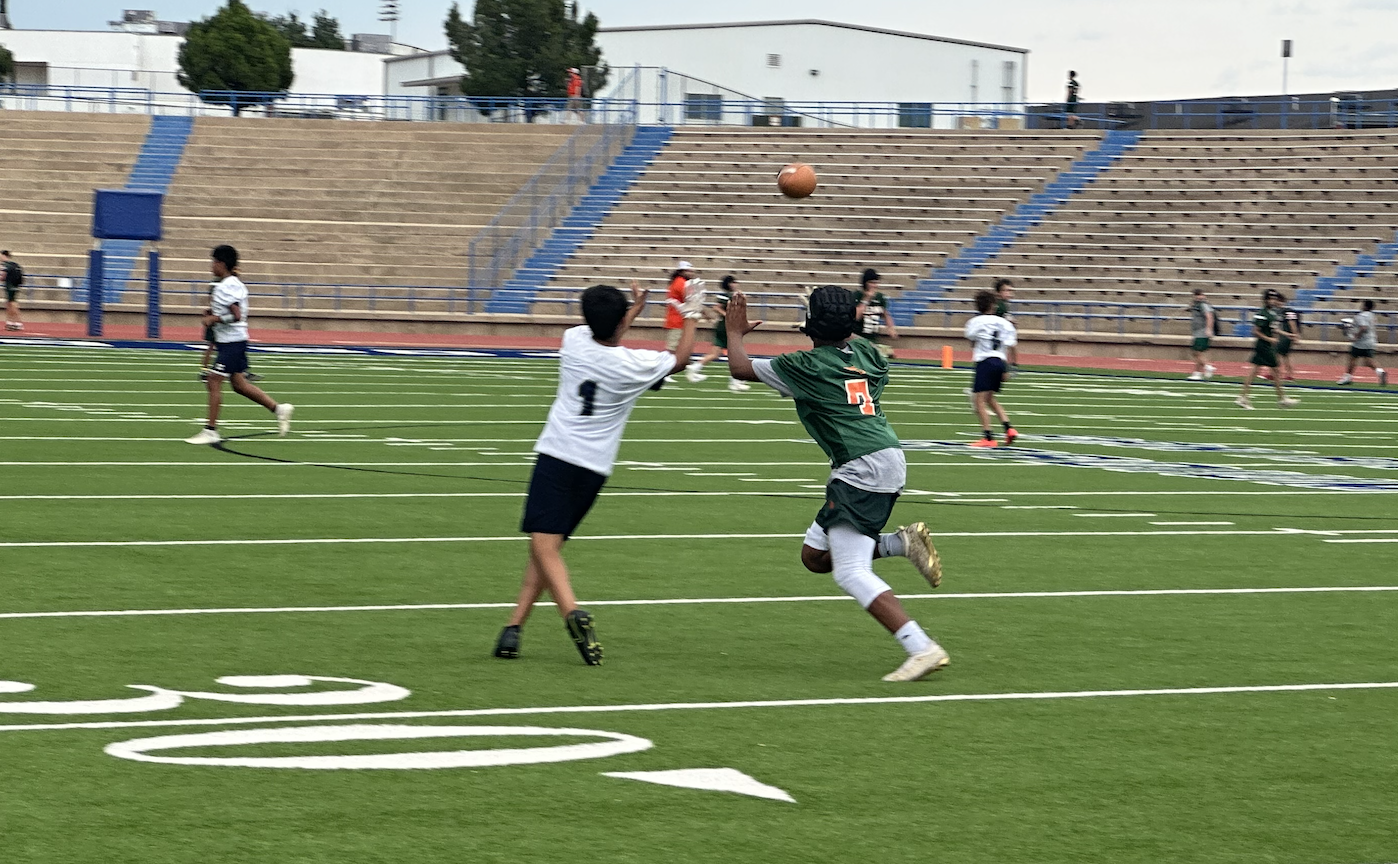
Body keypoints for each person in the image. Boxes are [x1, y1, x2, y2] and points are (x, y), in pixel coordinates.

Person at [725, 284, 950, 683]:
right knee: (814, 556)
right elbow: (847, 344)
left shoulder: (806, 367)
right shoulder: (870, 355)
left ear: (812, 326)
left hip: (860, 468)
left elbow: (740, 368)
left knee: (849, 572)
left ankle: (922, 647)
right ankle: (902, 543)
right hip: (881, 456)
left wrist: (734, 332)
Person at [494, 281, 704, 665]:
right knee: (546, 549)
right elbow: (681, 357)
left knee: (543, 546)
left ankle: (572, 612)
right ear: (621, 319)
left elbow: (604, 329)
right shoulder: (632, 365)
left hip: (558, 455)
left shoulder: (573, 340)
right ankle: (513, 629)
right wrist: (689, 315)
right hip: (595, 468)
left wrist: (631, 311)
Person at [185, 245, 294, 444]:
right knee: (239, 385)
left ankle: (210, 431)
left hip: (232, 342)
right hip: (232, 341)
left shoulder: (228, 285)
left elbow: (236, 315)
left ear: (221, 264)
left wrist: (214, 319)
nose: (211, 266)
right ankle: (279, 409)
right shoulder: (229, 284)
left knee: (213, 380)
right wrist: (213, 314)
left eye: (214, 262)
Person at [964, 290, 1020, 448]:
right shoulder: (1004, 323)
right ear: (993, 305)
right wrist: (1011, 367)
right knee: (989, 398)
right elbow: (1012, 345)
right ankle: (1009, 428)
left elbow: (972, 340)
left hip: (985, 361)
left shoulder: (975, 322)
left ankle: (988, 436)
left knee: (978, 400)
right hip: (1000, 361)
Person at [685, 274, 758, 391]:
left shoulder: (731, 294)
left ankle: (695, 367)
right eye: (734, 282)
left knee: (715, 353)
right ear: (729, 284)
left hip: (725, 326)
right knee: (737, 354)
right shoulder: (725, 295)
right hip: (727, 327)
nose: (736, 284)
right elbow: (716, 307)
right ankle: (736, 381)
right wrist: (728, 315)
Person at [1235, 289, 1299, 409]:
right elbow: (1255, 331)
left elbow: (1273, 329)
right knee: (1273, 371)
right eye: (1270, 298)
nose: (1273, 301)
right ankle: (1282, 399)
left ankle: (1243, 397)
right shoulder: (1262, 314)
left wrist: (1287, 334)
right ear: (1265, 300)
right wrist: (1269, 340)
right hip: (1264, 346)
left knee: (1259, 372)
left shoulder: (1272, 313)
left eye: (1274, 299)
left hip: (1267, 346)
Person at [1338, 299, 1387, 386]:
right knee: (1368, 360)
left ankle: (1347, 377)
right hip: (1371, 340)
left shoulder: (1361, 316)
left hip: (1361, 342)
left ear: (1365, 306)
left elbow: (1363, 327)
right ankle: (1380, 372)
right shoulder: (1372, 315)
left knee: (1353, 358)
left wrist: (1356, 336)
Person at [852, 268, 898, 359]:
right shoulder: (856, 296)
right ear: (865, 283)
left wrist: (891, 328)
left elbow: (885, 314)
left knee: (889, 354)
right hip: (857, 337)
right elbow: (855, 317)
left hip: (872, 338)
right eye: (872, 283)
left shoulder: (879, 298)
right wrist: (866, 299)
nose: (875, 285)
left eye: (876, 282)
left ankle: (877, 350)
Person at [1186, 288, 1217, 381]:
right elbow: (1190, 309)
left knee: (1196, 352)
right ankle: (1197, 373)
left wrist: (1209, 329)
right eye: (1196, 295)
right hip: (1197, 331)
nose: (1197, 297)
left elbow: (1209, 317)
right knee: (1199, 353)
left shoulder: (1204, 305)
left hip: (1202, 331)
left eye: (1199, 295)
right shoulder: (1197, 305)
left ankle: (1208, 366)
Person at [1276, 296, 1302, 383]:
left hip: (1287, 336)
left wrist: (1295, 336)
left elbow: (1292, 324)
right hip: (1285, 335)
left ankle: (1278, 373)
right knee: (1286, 355)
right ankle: (1289, 375)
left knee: (1279, 354)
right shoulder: (1281, 311)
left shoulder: (1288, 311)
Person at [2, 250, 24, 331]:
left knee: (12, 304)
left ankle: (17, 322)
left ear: (4, 256)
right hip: (15, 286)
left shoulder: (6, 265)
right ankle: (11, 322)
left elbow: (3, 277)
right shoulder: (15, 265)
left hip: (9, 286)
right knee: (10, 303)